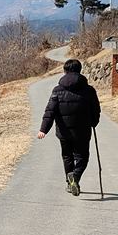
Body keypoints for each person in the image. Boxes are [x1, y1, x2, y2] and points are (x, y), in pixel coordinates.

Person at [37, 59, 101, 196]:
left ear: (65, 71)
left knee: (67, 157)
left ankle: (70, 182)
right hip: (83, 131)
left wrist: (43, 129)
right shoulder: (89, 90)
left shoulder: (57, 90)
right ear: (80, 70)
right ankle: (75, 177)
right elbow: (96, 109)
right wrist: (94, 122)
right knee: (83, 157)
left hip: (63, 132)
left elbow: (50, 111)